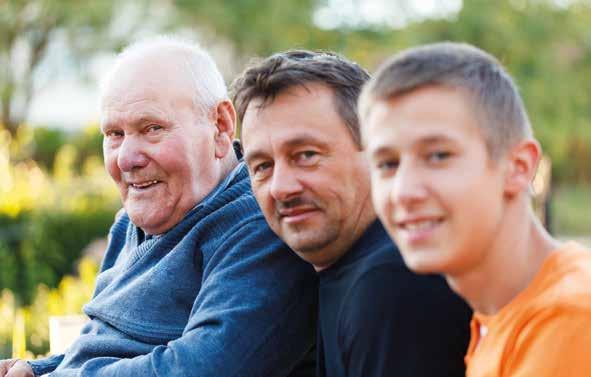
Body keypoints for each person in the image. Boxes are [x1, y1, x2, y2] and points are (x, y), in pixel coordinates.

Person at [0, 36, 317, 377]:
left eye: (152, 128)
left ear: (221, 126)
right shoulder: (132, 223)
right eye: (114, 134)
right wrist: (38, 369)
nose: (126, 159)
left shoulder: (258, 225)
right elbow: (108, 348)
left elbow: (204, 367)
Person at [232, 50, 472, 377]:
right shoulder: (344, 269)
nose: (280, 187)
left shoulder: (392, 284)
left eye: (306, 155)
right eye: (262, 166)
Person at [359, 42, 591, 377]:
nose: (403, 192)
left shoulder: (569, 322)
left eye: (438, 155)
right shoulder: (497, 317)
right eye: (387, 164)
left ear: (518, 166)